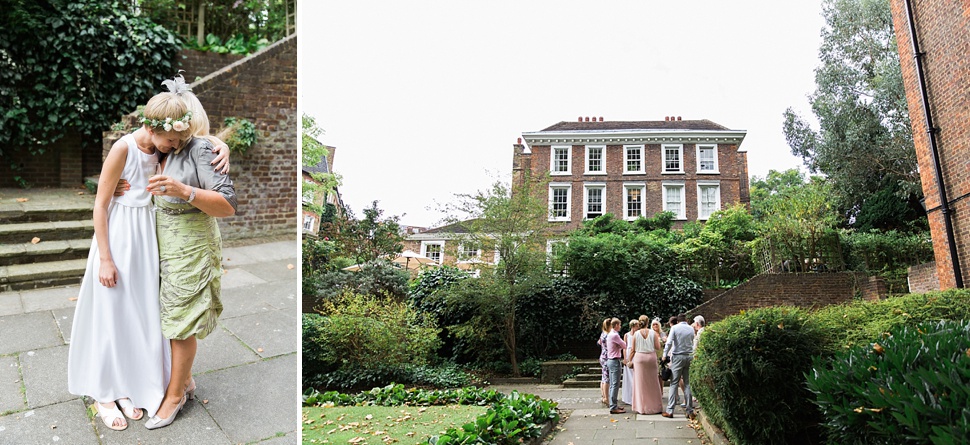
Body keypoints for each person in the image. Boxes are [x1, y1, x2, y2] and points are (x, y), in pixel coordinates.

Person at [67, 89, 192, 431]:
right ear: (151, 128)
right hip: (120, 236)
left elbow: (206, 141)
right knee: (110, 311)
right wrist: (105, 259)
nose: (174, 147)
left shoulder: (161, 146)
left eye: (178, 141)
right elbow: (100, 205)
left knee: (138, 314)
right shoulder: (124, 148)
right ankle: (103, 392)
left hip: (146, 239)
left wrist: (222, 146)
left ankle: (127, 383)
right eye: (170, 140)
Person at [144, 77, 237, 429]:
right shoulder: (160, 149)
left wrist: (185, 191)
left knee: (180, 324)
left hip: (192, 245)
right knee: (167, 317)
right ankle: (185, 380)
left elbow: (228, 206)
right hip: (160, 244)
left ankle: (174, 397)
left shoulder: (199, 150)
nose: (176, 139)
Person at [662, 313, 696, 419]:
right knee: (687, 383)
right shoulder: (691, 329)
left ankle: (670, 410)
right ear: (686, 319)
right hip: (689, 356)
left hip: (678, 356)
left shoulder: (675, 328)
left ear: (677, 321)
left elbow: (669, 342)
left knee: (674, 383)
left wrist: (664, 355)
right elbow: (692, 341)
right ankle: (690, 410)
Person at [630, 319, 663, 414]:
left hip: (639, 358)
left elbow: (633, 349)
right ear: (648, 323)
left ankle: (641, 408)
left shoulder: (635, 334)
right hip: (651, 358)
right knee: (653, 382)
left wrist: (629, 360)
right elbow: (657, 347)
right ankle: (655, 407)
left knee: (640, 384)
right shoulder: (653, 333)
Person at [605, 318, 627, 414]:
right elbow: (624, 345)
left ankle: (613, 404)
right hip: (614, 361)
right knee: (615, 384)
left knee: (612, 384)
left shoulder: (610, 334)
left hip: (610, 360)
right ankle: (613, 407)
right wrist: (620, 345)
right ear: (617, 325)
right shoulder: (615, 335)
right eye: (620, 324)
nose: (621, 326)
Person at [621, 319, 640, 406]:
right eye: (636, 326)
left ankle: (636, 396)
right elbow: (624, 347)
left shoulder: (638, 334)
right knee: (628, 376)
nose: (638, 327)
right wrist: (625, 358)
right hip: (628, 353)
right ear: (633, 326)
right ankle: (628, 397)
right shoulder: (627, 335)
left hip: (635, 353)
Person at [596, 318, 611, 405]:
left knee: (603, 377)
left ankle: (603, 396)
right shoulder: (608, 335)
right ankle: (606, 398)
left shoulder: (603, 334)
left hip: (602, 356)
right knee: (607, 379)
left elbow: (598, 343)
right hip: (607, 358)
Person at [651, 318, 666, 388]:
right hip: (653, 355)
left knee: (661, 374)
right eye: (653, 324)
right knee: (655, 374)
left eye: (656, 324)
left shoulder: (662, 333)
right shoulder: (650, 333)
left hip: (661, 355)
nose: (655, 326)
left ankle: (661, 390)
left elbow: (666, 340)